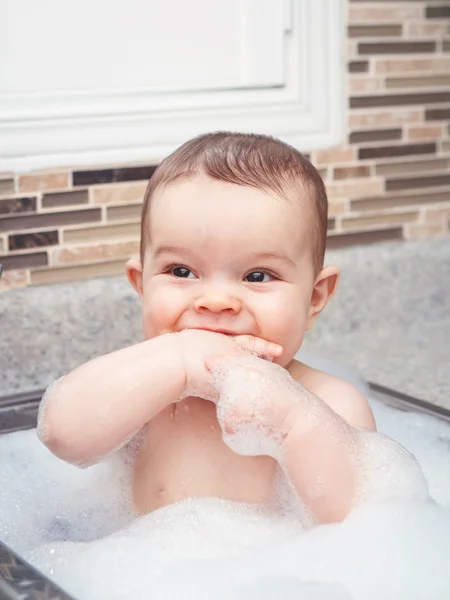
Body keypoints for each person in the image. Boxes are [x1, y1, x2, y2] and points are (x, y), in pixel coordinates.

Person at [38, 132, 377, 526]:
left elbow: (364, 521)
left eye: (258, 275)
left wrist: (292, 420)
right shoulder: (144, 387)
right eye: (181, 271)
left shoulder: (329, 401)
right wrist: (181, 360)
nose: (216, 301)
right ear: (142, 284)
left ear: (315, 297)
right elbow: (63, 435)